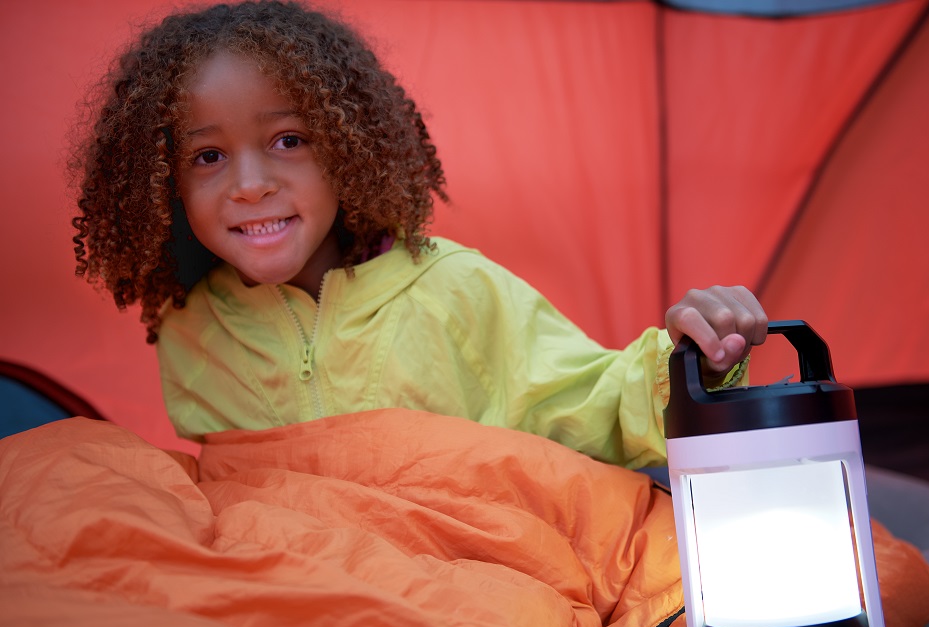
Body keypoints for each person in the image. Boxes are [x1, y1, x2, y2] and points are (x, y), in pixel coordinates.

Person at [71, 0, 767, 468]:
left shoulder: (455, 289)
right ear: (164, 182)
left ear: (348, 148)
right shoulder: (191, 333)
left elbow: (596, 407)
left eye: (288, 139)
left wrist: (691, 362)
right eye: (208, 156)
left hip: (463, 592)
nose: (249, 183)